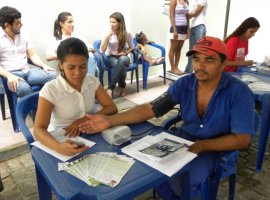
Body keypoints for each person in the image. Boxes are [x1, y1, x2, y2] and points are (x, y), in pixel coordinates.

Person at [79, 36, 255, 199]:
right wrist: (109, 120)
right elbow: (150, 109)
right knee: (147, 168)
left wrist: (201, 146)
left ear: (224, 64)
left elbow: (242, 139)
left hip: (215, 151)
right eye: (196, 59)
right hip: (183, 141)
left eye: (209, 60)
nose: (200, 66)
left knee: (179, 180)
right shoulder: (184, 84)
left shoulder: (239, 92)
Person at [34, 38, 118, 156]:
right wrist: (58, 147)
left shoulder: (91, 81)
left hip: (92, 132)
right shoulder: (51, 89)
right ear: (61, 65)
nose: (78, 73)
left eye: (83, 66)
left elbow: (112, 108)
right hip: (63, 138)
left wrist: (85, 119)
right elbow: (38, 129)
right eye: (71, 67)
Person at [0, 6, 57, 97]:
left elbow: (32, 54)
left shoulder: (23, 34)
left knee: (54, 75)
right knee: (24, 89)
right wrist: (9, 76)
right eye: (17, 23)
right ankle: (36, 111)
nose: (21, 25)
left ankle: (48, 105)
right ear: (7, 25)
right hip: (11, 74)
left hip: (28, 72)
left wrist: (43, 65)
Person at [46, 12, 99, 77]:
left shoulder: (76, 35)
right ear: (61, 24)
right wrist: (67, 54)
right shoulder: (55, 38)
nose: (73, 24)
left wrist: (83, 50)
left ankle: (88, 82)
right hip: (68, 65)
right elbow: (48, 57)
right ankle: (89, 83)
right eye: (69, 22)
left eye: (73, 22)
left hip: (81, 63)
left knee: (91, 58)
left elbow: (92, 49)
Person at [100, 12, 133, 98]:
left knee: (122, 60)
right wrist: (107, 36)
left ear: (120, 22)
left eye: (113, 22)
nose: (111, 24)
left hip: (124, 56)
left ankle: (110, 88)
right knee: (120, 66)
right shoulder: (108, 33)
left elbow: (131, 47)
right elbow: (102, 50)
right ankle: (122, 87)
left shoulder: (127, 33)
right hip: (111, 56)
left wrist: (125, 53)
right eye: (110, 22)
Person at [184, 0, 207, 73]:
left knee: (199, 50)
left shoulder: (202, 0)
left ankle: (199, 71)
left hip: (200, 26)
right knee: (192, 51)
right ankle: (188, 72)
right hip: (192, 27)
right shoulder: (193, 2)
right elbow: (190, 16)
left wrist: (183, 14)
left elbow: (194, 13)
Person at [169, 0, 189, 75]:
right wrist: (174, 30)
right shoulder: (174, 1)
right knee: (173, 48)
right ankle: (172, 68)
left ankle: (176, 67)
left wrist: (188, 28)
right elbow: (171, 15)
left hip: (184, 28)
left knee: (179, 49)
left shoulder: (187, 1)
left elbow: (187, 16)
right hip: (176, 27)